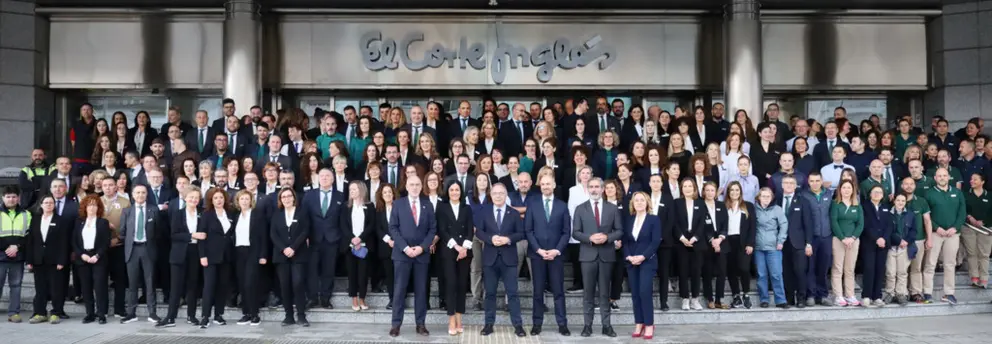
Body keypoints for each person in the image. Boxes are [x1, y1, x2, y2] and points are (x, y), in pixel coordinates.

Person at [572, 178, 623, 338]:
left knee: (604, 292)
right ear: (588, 189)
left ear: (602, 189)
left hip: (606, 255)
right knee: (588, 293)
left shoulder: (612, 208)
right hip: (587, 255)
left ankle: (606, 326)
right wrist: (590, 238)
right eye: (591, 187)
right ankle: (587, 326)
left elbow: (620, 230)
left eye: (597, 187)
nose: (594, 190)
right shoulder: (580, 209)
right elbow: (575, 232)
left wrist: (607, 237)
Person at [473, 183, 526, 337]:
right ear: (491, 195)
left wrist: (507, 239)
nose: (498, 196)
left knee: (513, 293)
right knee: (490, 293)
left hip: (509, 259)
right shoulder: (484, 211)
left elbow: (521, 233)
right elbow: (479, 232)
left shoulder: (514, 213)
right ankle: (489, 324)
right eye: (495, 193)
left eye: (501, 193)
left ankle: (518, 325)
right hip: (490, 259)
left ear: (505, 195)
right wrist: (491, 238)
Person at [524, 174, 571, 336]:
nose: (545, 186)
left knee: (558, 291)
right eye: (543, 184)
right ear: (540, 186)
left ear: (554, 185)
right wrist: (538, 249)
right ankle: (537, 323)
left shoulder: (562, 206)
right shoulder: (532, 204)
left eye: (548, 184)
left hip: (556, 255)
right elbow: (528, 230)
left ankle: (562, 324)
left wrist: (556, 250)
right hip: (537, 255)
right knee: (538, 292)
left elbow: (566, 232)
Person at [388, 175, 435, 337]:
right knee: (399, 290)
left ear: (421, 187)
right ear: (406, 186)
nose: (414, 187)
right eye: (411, 184)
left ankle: (420, 324)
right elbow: (393, 228)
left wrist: (422, 248)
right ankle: (396, 325)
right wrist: (406, 248)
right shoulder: (398, 204)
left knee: (421, 291)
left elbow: (432, 230)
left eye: (417, 184)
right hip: (402, 255)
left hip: (421, 255)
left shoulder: (428, 205)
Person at [158, 187, 204, 328]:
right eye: (191, 197)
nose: (193, 200)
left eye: (196, 197)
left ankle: (191, 316)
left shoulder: (202, 213)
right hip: (179, 253)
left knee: (192, 285)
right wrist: (191, 235)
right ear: (185, 198)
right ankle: (170, 317)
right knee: (176, 286)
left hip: (195, 252)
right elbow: (174, 235)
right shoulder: (177, 214)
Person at [301, 169, 344, 309]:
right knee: (312, 270)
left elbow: (343, 220)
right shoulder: (309, 195)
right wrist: (305, 236)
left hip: (332, 239)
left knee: (328, 270)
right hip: (313, 239)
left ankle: (325, 299)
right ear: (318, 179)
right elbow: (304, 217)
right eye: (322, 176)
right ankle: (312, 298)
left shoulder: (341, 196)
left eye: (328, 176)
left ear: (333, 179)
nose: (325, 178)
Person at [922, 167, 966, 304]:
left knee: (950, 264)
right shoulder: (929, 194)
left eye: (944, 175)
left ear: (949, 177)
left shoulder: (957, 193)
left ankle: (949, 293)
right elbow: (926, 216)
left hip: (953, 234)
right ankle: (927, 293)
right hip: (936, 233)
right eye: (939, 176)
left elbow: (962, 213)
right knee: (930, 263)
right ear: (935, 178)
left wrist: (955, 227)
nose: (942, 178)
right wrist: (937, 228)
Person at [120, 184, 162, 324]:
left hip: (147, 249)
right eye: (137, 192)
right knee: (132, 283)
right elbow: (122, 232)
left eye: (143, 192)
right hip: (132, 250)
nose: (140, 195)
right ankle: (131, 313)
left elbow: (158, 232)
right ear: (132, 194)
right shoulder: (127, 211)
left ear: (146, 194)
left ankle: (152, 312)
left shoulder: (153, 210)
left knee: (150, 282)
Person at [622, 191, 661, 339]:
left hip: (647, 261)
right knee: (635, 294)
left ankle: (649, 324)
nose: (639, 203)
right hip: (632, 261)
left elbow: (655, 241)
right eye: (636, 200)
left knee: (644, 292)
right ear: (632, 203)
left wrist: (643, 256)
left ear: (647, 203)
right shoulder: (628, 219)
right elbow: (625, 241)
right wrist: (629, 256)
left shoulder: (654, 219)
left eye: (642, 200)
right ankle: (639, 322)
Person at [436, 181, 472, 335]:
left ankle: (459, 318)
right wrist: (456, 246)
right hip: (449, 251)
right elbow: (442, 230)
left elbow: (470, 229)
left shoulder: (467, 208)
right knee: (451, 284)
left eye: (457, 190)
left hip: (464, 252)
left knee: (462, 285)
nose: (455, 192)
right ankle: (451, 319)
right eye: (452, 190)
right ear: (447, 191)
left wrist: (464, 247)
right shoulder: (442, 207)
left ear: (461, 191)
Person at [270, 188, 310, 326]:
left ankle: (301, 315)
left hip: (298, 253)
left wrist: (293, 247)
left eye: (289, 196)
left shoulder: (302, 212)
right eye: (283, 197)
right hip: (281, 256)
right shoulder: (276, 214)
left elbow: (305, 231)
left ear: (294, 197)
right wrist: (284, 248)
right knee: (285, 286)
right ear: (280, 200)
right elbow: (273, 234)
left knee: (298, 284)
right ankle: (288, 316)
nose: (286, 199)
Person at [25, 195, 68, 324]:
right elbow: (30, 242)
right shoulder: (35, 220)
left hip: (55, 260)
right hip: (38, 260)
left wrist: (62, 260)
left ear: (54, 205)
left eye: (51, 202)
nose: (49, 204)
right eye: (46, 202)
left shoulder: (60, 220)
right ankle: (40, 313)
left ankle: (56, 312)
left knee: (56, 288)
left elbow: (64, 242)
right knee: (40, 288)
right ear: (41, 205)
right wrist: (29, 260)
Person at [197, 188, 235, 328]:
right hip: (210, 256)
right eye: (215, 198)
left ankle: (218, 315)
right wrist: (203, 255)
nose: (219, 200)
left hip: (227, 256)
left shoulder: (230, 214)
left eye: (221, 197)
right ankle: (205, 316)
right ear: (211, 201)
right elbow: (202, 236)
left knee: (222, 286)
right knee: (209, 286)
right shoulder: (207, 215)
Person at [777, 175, 814, 308]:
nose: (788, 185)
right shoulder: (776, 200)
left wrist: (809, 243)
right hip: (781, 242)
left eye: (791, 183)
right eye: (785, 182)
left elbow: (808, 224)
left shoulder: (803, 201)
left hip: (798, 242)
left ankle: (801, 298)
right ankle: (788, 298)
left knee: (800, 271)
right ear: (781, 185)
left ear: (795, 185)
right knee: (786, 272)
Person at [74, 195, 111, 324]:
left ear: (98, 207)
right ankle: (90, 313)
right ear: (85, 207)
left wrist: (97, 255)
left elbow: (106, 242)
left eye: (95, 205)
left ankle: (101, 314)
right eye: (89, 205)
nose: (92, 207)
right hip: (83, 258)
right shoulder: (79, 222)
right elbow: (74, 241)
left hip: (98, 259)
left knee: (100, 287)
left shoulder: (103, 222)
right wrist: (81, 254)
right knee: (86, 287)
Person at [232, 190, 267, 326]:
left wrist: (263, 255)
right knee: (242, 283)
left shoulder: (257, 215)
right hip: (239, 252)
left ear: (251, 200)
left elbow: (263, 236)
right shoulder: (236, 215)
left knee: (250, 283)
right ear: (238, 201)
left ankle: (254, 313)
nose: (245, 201)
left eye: (247, 199)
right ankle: (245, 313)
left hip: (253, 251)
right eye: (242, 199)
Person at [753, 187, 789, 308]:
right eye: (763, 196)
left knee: (776, 274)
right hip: (758, 247)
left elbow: (784, 225)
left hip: (774, 247)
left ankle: (781, 300)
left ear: (772, 197)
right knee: (761, 275)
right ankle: (764, 299)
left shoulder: (777, 209)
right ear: (759, 197)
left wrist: (781, 241)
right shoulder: (754, 209)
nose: (766, 199)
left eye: (768, 196)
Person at [803, 172, 835, 306]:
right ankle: (810, 294)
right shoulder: (803, 195)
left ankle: (822, 295)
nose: (815, 183)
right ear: (808, 182)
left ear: (822, 181)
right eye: (812, 181)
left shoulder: (829, 194)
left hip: (826, 236)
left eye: (817, 180)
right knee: (810, 267)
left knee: (823, 267)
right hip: (811, 236)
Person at [342, 181, 375, 311]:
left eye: (354, 189)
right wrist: (352, 239)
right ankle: (354, 298)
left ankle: (362, 298)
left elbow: (371, 225)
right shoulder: (346, 206)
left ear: (361, 190)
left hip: (364, 245)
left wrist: (360, 238)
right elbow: (343, 225)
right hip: (350, 246)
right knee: (352, 273)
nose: (352, 191)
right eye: (350, 189)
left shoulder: (370, 206)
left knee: (363, 274)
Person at [674, 178, 706, 311]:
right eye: (685, 186)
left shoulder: (700, 203)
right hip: (681, 242)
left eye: (690, 186)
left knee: (696, 271)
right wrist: (681, 237)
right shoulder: (676, 203)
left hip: (696, 242)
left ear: (694, 188)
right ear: (681, 188)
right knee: (683, 271)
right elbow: (674, 222)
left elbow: (702, 223)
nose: (687, 188)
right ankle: (685, 299)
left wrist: (695, 238)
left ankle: (695, 299)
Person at [830, 180, 864, 307]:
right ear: (840, 189)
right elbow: (834, 222)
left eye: (849, 187)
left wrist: (853, 237)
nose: (846, 190)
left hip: (853, 241)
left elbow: (860, 224)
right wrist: (843, 238)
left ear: (853, 190)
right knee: (838, 268)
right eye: (844, 187)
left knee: (849, 269)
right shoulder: (835, 204)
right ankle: (838, 295)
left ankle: (850, 295)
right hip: (838, 240)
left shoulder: (857, 205)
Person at [724, 181, 755, 309]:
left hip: (743, 242)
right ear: (728, 192)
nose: (734, 192)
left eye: (737, 190)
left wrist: (750, 243)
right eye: (732, 190)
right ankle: (736, 295)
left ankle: (746, 294)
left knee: (744, 268)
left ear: (740, 192)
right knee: (730, 270)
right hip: (728, 241)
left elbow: (753, 227)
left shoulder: (748, 206)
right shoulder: (724, 206)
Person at [861, 185, 892, 307]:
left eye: (879, 192)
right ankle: (867, 296)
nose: (877, 194)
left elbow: (889, 225)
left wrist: (884, 238)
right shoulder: (864, 207)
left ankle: (877, 296)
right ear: (870, 194)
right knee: (869, 269)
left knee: (880, 269)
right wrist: (876, 238)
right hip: (869, 242)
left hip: (883, 243)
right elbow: (865, 224)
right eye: (874, 192)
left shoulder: (886, 207)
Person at [700, 182, 729, 309]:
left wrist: (720, 239)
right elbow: (702, 226)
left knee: (722, 272)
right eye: (708, 190)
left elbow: (725, 224)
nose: (710, 193)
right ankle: (710, 298)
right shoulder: (700, 206)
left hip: (721, 242)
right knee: (708, 271)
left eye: (713, 190)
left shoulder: (721, 205)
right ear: (703, 192)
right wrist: (712, 240)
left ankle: (719, 299)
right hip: (706, 244)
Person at [885, 193, 917, 306]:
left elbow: (914, 231)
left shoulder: (910, 215)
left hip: (905, 247)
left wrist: (906, 241)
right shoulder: (888, 214)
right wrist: (899, 241)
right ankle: (890, 293)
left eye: (903, 201)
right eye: (898, 200)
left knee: (902, 272)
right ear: (894, 201)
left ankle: (901, 294)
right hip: (892, 247)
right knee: (890, 272)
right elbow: (888, 231)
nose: (900, 203)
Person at [964, 173, 992, 289]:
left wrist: (984, 221)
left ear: (982, 182)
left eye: (975, 179)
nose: (972, 181)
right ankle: (974, 277)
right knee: (972, 253)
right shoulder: (965, 194)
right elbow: (962, 209)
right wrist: (970, 217)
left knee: (984, 255)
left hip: (986, 229)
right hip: (969, 228)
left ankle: (984, 279)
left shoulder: (990, 195)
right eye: (971, 179)